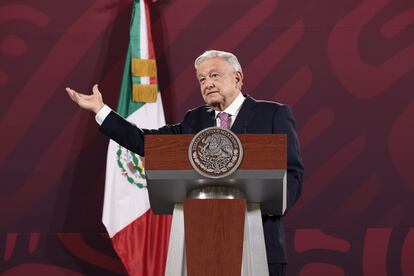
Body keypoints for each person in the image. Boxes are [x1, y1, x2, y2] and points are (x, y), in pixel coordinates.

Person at [66, 50, 304, 276]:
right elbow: (146, 142)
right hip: (202, 248)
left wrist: (269, 208)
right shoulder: (195, 119)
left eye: (214, 75)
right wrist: (101, 110)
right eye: (201, 79)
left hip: (260, 241)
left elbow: (292, 173)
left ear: (238, 77)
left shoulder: (273, 114)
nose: (207, 83)